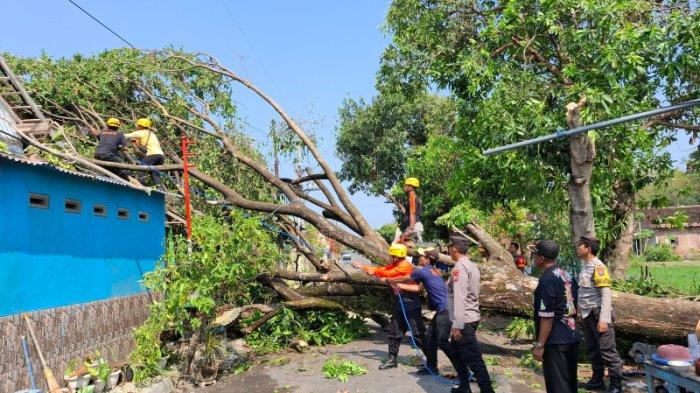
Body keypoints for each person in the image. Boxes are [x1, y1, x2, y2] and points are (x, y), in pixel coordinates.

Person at [352, 243, 426, 370]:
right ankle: (392, 359)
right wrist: (367, 269)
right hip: (401, 302)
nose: (391, 257)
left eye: (393, 256)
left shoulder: (404, 267)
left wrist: (364, 267)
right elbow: (384, 269)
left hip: (411, 303)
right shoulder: (396, 264)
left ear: (398, 256)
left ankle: (431, 362)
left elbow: (385, 272)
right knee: (394, 331)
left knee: (418, 334)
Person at [386, 248, 449, 375]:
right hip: (402, 306)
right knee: (394, 331)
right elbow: (418, 287)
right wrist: (399, 285)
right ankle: (392, 359)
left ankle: (456, 368)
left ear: (426, 259)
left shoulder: (420, 271)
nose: (418, 257)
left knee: (422, 336)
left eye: (421, 256)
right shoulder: (433, 271)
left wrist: (389, 281)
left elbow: (408, 281)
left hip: (421, 307)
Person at [529, 240, 580, 393]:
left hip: (555, 340)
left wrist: (540, 345)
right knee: (569, 383)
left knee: (557, 386)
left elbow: (547, 317)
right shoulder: (566, 274)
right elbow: (575, 305)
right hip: (571, 335)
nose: (532, 257)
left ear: (541, 258)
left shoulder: (547, 279)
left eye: (534, 254)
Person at [446, 235, 495, 393]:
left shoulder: (460, 268)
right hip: (468, 316)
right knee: (456, 352)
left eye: (449, 248)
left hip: (464, 320)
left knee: (473, 358)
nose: (448, 251)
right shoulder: (471, 265)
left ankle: (487, 390)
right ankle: (464, 387)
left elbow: (460, 296)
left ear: (454, 249)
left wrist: (457, 324)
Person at [576, 235, 624, 393]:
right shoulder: (585, 266)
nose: (578, 248)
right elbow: (584, 291)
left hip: (598, 314)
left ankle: (616, 385)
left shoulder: (599, 267)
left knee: (607, 351)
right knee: (593, 349)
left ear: (588, 249)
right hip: (587, 314)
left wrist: (604, 319)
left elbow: (606, 294)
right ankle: (597, 380)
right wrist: (579, 310)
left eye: (580, 246)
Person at [124, 118, 165, 186]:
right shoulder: (152, 134)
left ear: (141, 126)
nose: (137, 126)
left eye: (138, 125)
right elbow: (145, 146)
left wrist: (115, 134)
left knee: (141, 165)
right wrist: (137, 143)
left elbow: (126, 136)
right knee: (154, 170)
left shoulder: (141, 132)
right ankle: (159, 185)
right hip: (161, 156)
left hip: (153, 154)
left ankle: (141, 182)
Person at [394, 177, 424, 244]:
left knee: (419, 250)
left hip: (414, 227)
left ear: (410, 187)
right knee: (416, 249)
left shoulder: (412, 198)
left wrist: (410, 229)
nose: (404, 187)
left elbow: (412, 213)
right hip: (415, 226)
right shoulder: (417, 198)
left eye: (405, 186)